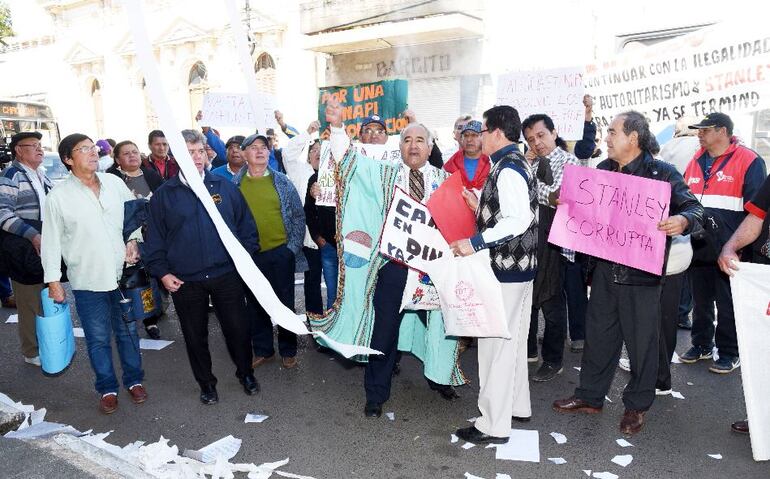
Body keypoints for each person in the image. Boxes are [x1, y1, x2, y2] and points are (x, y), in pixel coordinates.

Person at [552, 111, 703, 435]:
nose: (606, 138)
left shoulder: (663, 174)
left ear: (633, 138)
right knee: (598, 337)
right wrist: (567, 202)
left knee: (642, 344)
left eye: (612, 132)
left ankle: (636, 406)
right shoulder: (603, 170)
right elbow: (586, 213)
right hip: (604, 270)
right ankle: (590, 396)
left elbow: (695, 208)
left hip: (642, 275)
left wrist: (683, 221)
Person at [320, 97, 465, 417]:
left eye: (420, 140)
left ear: (430, 147)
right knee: (383, 331)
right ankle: (375, 394)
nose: (413, 146)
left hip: (434, 272)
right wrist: (338, 127)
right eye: (407, 140)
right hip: (394, 269)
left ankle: (441, 379)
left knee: (443, 327)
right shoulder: (384, 175)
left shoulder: (446, 183)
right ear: (399, 147)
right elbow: (349, 162)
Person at [143, 130, 259, 405]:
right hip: (185, 280)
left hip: (226, 274)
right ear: (175, 156)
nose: (196, 157)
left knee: (238, 330)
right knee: (195, 336)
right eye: (189, 152)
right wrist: (163, 273)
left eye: (199, 151)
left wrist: (243, 262)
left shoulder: (225, 187)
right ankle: (206, 384)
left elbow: (247, 229)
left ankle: (246, 373)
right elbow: (154, 240)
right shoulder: (164, 196)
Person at [42, 133, 147, 415]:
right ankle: (107, 388)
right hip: (87, 279)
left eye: (93, 148)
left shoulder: (114, 183)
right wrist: (53, 281)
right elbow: (51, 242)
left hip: (122, 275)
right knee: (98, 338)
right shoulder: (58, 197)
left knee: (128, 331)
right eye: (83, 149)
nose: (92, 153)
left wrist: (133, 240)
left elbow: (134, 216)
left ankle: (134, 380)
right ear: (68, 159)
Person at [451, 105, 538, 444]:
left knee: (494, 348)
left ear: (497, 132)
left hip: (506, 270)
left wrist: (474, 242)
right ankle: (515, 406)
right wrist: (481, 207)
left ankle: (492, 424)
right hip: (519, 269)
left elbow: (517, 220)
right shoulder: (515, 162)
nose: (480, 136)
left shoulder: (507, 168)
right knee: (512, 343)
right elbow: (512, 212)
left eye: (483, 130)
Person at [680, 113, 766, 373]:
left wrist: (739, 246)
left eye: (705, 129)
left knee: (728, 303)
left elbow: (757, 211)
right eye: (698, 130)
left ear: (722, 131)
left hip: (732, 246)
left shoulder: (749, 160)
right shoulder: (695, 160)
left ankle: (730, 352)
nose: (699, 134)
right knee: (701, 299)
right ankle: (701, 344)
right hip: (699, 244)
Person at [232, 134, 307, 370]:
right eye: (253, 147)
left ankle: (288, 350)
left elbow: (298, 216)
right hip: (250, 257)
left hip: (280, 253)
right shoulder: (234, 185)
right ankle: (264, 350)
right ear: (244, 154)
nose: (260, 151)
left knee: (285, 303)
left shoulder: (282, 181)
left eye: (264, 147)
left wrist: (291, 249)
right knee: (256, 304)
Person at [521, 113, 583, 382]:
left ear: (554, 133)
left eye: (541, 135)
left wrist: (528, 182)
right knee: (529, 300)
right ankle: (529, 350)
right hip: (532, 242)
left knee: (552, 304)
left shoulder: (569, 161)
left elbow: (559, 196)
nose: (537, 143)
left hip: (556, 244)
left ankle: (553, 359)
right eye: (530, 139)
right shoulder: (530, 163)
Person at [717, 173, 770, 436]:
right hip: (764, 277)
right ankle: (763, 417)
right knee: (763, 349)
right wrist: (730, 247)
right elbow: (756, 217)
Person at [0, 132, 54, 366]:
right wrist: (32, 235)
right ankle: (31, 352)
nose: (40, 149)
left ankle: (46, 345)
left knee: (46, 298)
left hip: (44, 247)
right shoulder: (11, 175)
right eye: (33, 145)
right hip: (22, 249)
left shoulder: (41, 175)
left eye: (40, 145)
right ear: (19, 150)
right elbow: (2, 213)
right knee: (29, 301)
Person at [106, 140, 164, 339]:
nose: (132, 156)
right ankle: (125, 317)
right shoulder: (110, 179)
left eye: (135, 152)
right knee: (128, 278)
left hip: (152, 235)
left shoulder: (151, 175)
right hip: (123, 236)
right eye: (126, 153)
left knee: (150, 277)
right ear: (117, 159)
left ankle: (151, 319)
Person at [304, 139, 338, 312]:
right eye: (315, 150)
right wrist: (318, 238)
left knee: (352, 290)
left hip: (350, 245)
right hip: (328, 246)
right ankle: (333, 325)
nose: (319, 153)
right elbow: (309, 212)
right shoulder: (314, 179)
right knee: (332, 293)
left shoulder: (348, 175)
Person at [443, 120, 491, 192]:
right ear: (461, 139)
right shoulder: (451, 163)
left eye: (474, 135)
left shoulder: (491, 162)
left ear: (483, 137)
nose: (469, 139)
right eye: (466, 135)